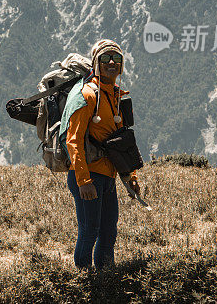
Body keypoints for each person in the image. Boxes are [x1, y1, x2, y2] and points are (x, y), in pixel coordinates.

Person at [63, 38, 140, 271]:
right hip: (88, 176)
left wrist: (130, 176)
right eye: (105, 58)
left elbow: (120, 144)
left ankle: (105, 280)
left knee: (108, 232)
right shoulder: (87, 96)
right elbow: (73, 140)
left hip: (108, 177)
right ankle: (83, 282)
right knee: (90, 231)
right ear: (95, 63)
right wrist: (83, 180)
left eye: (116, 58)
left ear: (122, 65)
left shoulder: (115, 97)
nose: (111, 62)